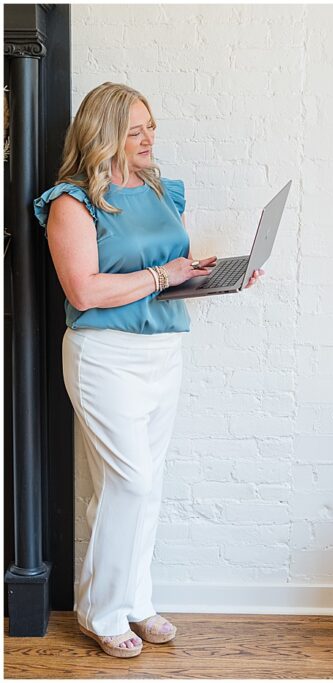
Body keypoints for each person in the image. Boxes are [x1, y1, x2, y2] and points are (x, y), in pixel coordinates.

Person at [33, 82, 263, 658]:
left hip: (163, 350)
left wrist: (212, 275)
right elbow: (84, 290)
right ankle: (101, 611)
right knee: (129, 482)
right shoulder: (73, 202)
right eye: (134, 130)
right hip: (104, 355)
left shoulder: (160, 189)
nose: (148, 138)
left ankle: (135, 600)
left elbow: (166, 269)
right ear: (102, 135)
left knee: (144, 485)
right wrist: (165, 275)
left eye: (150, 126)